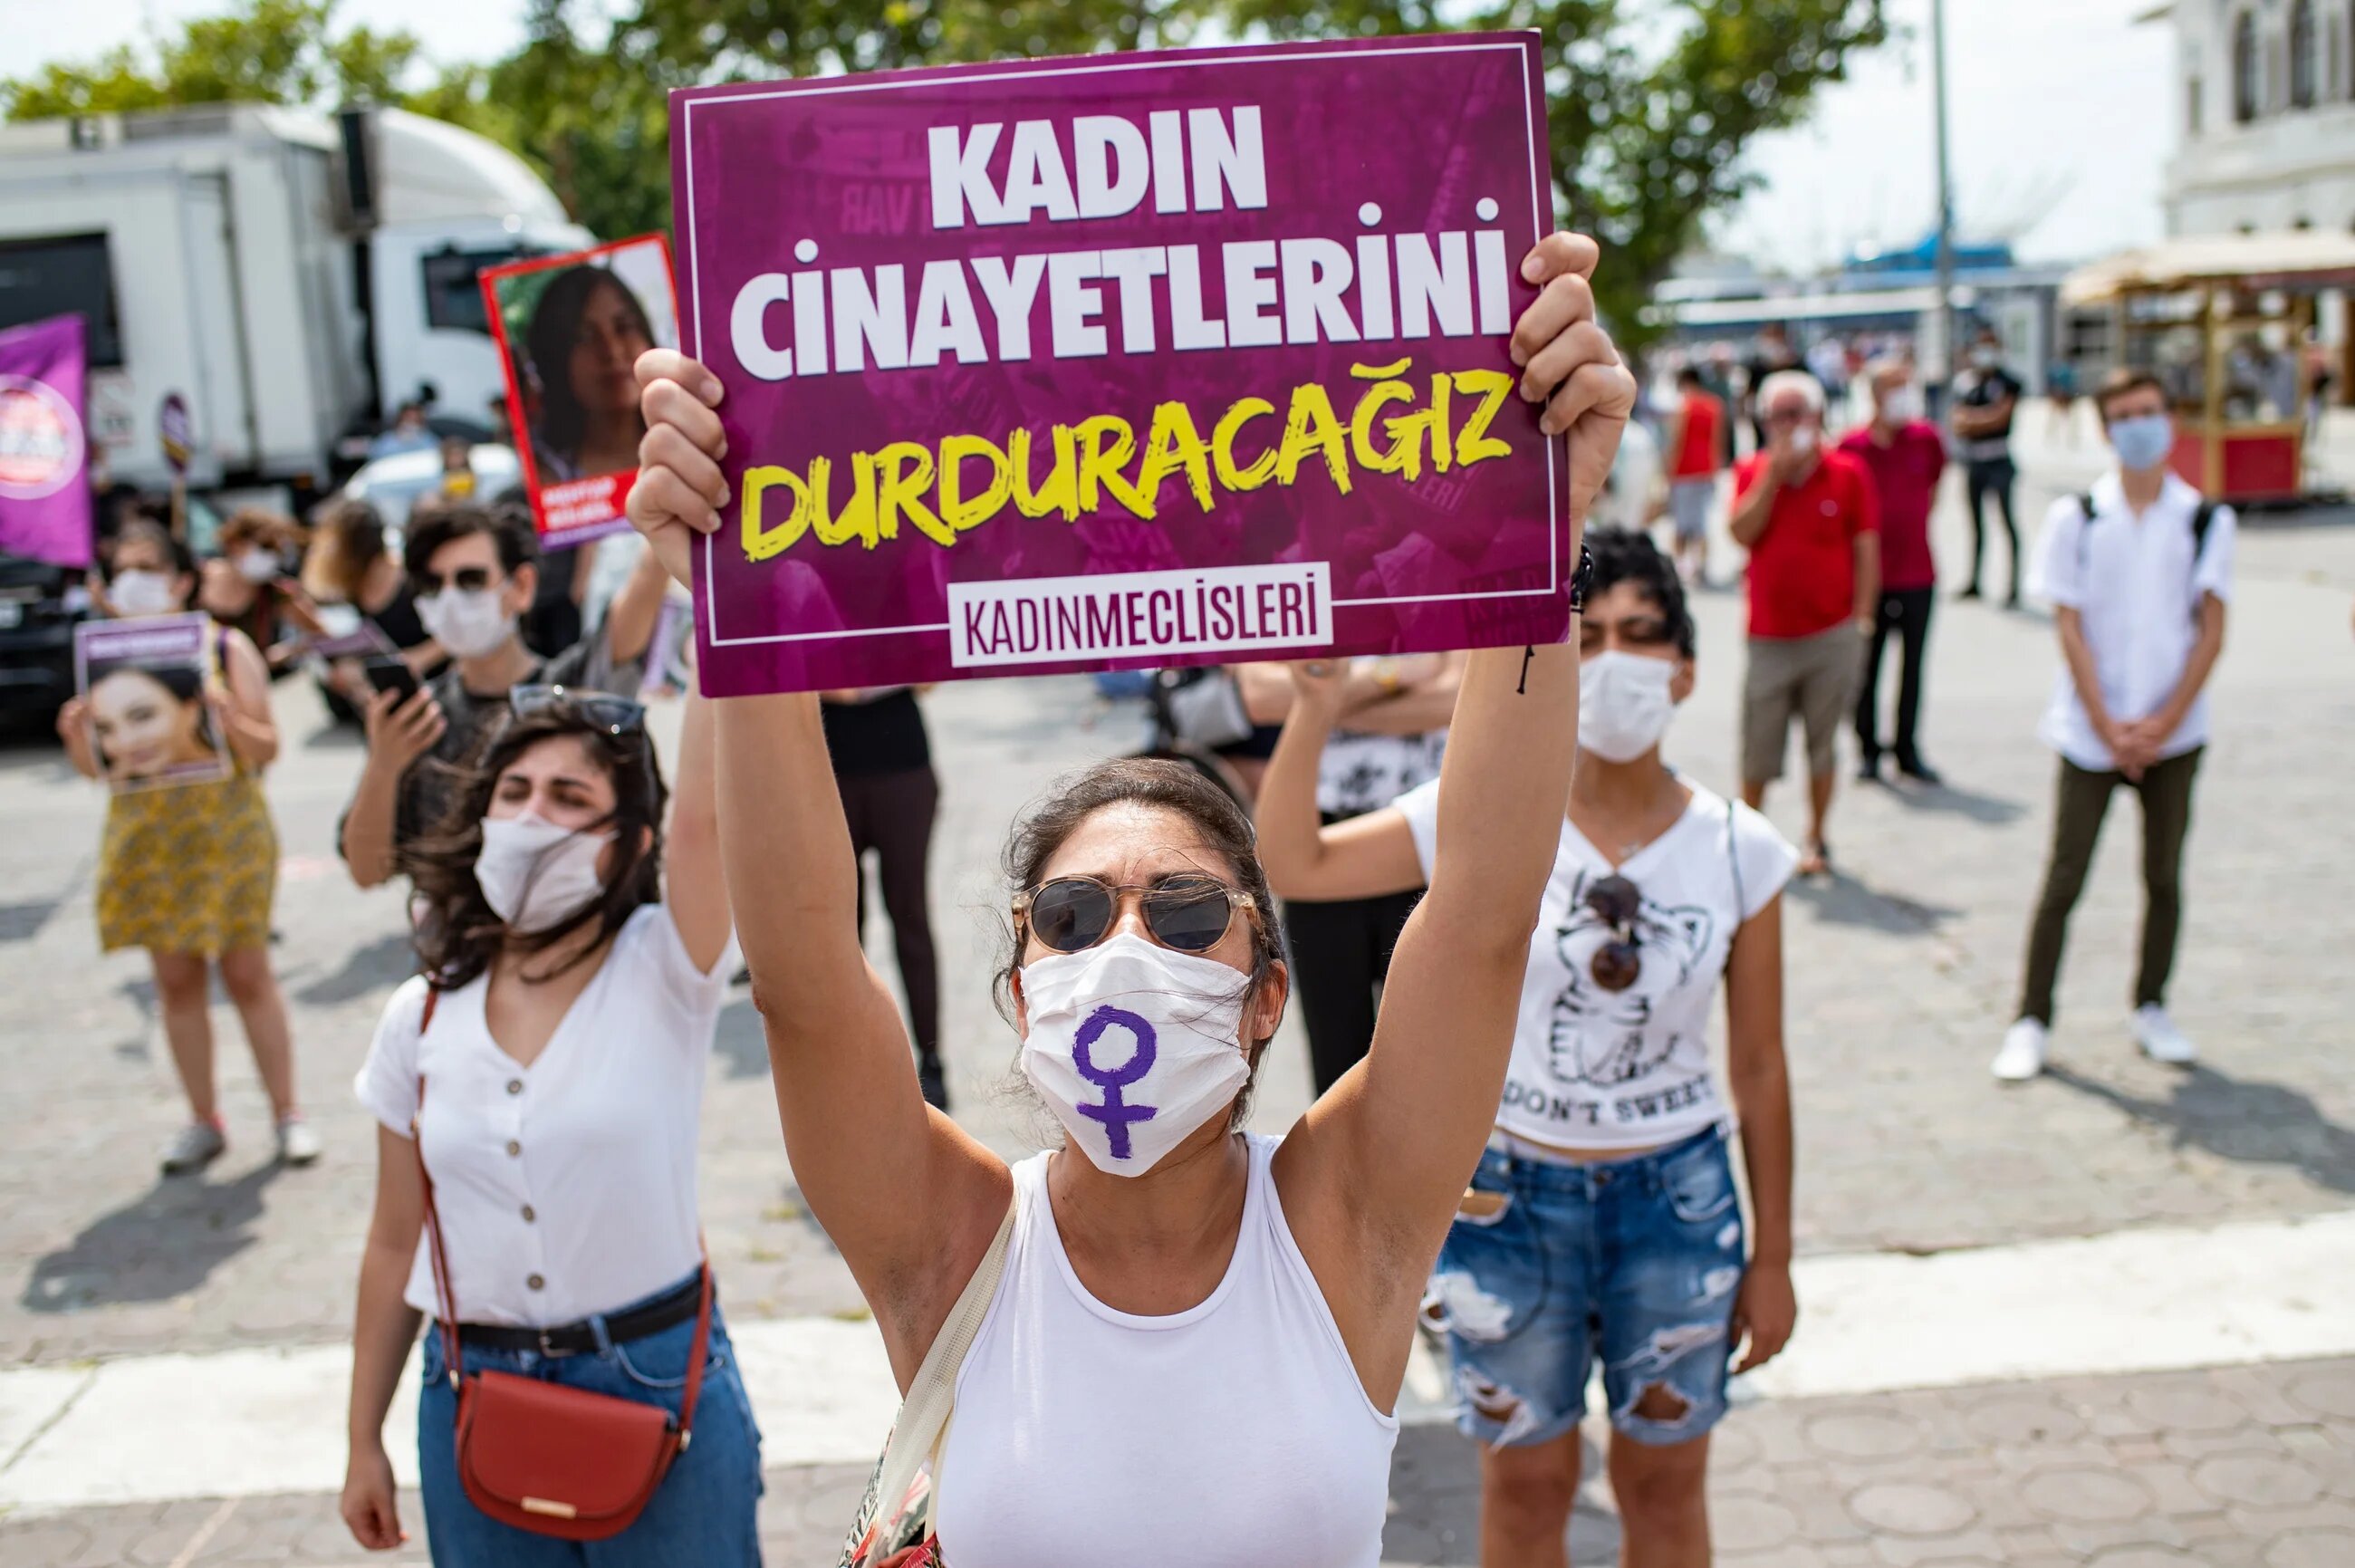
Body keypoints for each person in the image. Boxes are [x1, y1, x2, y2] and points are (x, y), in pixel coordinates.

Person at [620, 227, 1634, 1560]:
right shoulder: (954, 1246)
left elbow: (1487, 907)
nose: (1129, 944)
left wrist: (1538, 519)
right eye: (1076, 916)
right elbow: (807, 970)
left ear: (1271, 991)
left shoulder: (1348, 1216)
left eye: (1189, 910)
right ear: (1021, 981)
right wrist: (736, 579)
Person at [1257, 526, 1796, 1568]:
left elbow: (1761, 1071)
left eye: (1640, 637)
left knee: (1663, 1483)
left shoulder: (1741, 849)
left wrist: (1770, 1258)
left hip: (1677, 1203)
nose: (1609, 663)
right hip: (1507, 1202)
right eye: (1583, 636)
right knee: (1525, 1484)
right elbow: (1297, 861)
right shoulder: (1480, 825)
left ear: (1683, 671)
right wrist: (1316, 707)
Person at [341, 689, 764, 1562]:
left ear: (628, 845)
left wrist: (708, 604)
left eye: (570, 799)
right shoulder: (416, 1017)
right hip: (468, 1389)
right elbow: (393, 1242)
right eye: (516, 789)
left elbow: (710, 813)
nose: (533, 814)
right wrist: (361, 1440)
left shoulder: (665, 964)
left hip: (655, 1377)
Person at [1993, 370, 2234, 1082]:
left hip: (2175, 730)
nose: (2139, 427)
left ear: (2170, 420)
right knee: (2064, 875)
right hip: (2089, 729)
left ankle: (2151, 1002)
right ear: (2105, 429)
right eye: (2124, 416)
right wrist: (2110, 724)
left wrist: (2160, 722)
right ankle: (2031, 1015)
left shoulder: (2201, 518)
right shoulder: (2079, 516)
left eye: (2149, 413)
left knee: (2163, 873)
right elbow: (2069, 628)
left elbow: (2210, 631)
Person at [55, 522, 318, 1172]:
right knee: (175, 980)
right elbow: (99, 770)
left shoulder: (224, 648)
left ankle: (288, 1112)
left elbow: (269, 748)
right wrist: (75, 737)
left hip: (226, 833)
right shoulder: (105, 663)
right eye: (122, 569)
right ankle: (204, 1118)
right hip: (148, 839)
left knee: (248, 972)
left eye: (149, 567)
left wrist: (231, 720)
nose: (134, 581)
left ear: (180, 579)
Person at [339, 499, 670, 890]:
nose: (450, 599)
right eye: (432, 584)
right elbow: (367, 872)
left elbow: (645, 587)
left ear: (522, 587)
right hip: (457, 946)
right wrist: (385, 765)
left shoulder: (569, 692)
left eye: (470, 580)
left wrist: (665, 507)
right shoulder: (418, 720)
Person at [1235, 655, 1464, 1096]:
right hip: (1314, 834)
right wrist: (1391, 676)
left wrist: (1319, 701)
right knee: (1336, 1054)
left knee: (1435, 1047)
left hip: (1425, 846)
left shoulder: (1438, 590)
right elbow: (1260, 697)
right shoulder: (1297, 592)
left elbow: (1452, 699)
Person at [1730, 371, 1879, 877]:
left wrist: (1862, 619)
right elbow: (1741, 532)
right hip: (1769, 636)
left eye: (1797, 414)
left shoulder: (1847, 472)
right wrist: (1774, 476)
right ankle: (1751, 838)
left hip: (1830, 634)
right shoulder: (1753, 470)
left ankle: (1816, 835)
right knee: (1757, 748)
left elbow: (1866, 548)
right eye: (1778, 416)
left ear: (1817, 417)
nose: (1788, 425)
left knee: (1823, 744)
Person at [822, 685, 950, 1109]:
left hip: (903, 766)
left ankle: (931, 1059)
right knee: (840, 927)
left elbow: (929, 675)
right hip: (828, 769)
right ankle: (848, 1060)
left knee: (910, 915)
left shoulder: (898, 613)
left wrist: (866, 683)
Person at [1841, 358, 1947, 784]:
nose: (1903, 394)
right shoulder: (1852, 446)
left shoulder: (1926, 440)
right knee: (1867, 665)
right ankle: (1867, 748)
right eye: (1893, 386)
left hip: (1918, 573)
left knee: (1913, 669)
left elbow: (1934, 490)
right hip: (1870, 579)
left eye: (1908, 385)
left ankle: (1907, 748)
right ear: (1873, 394)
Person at [301, 499, 441, 724]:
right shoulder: (348, 592)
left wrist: (417, 658)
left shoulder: (412, 578)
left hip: (435, 696)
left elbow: (453, 636)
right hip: (385, 707)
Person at [525, 267, 657, 486]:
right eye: (585, 337)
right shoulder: (544, 473)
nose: (612, 352)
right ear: (555, 359)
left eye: (624, 327)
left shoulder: (686, 440)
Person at [198, 508, 324, 672]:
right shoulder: (196, 580)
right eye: (266, 547)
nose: (271, 557)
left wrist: (284, 653)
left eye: (278, 551)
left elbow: (320, 634)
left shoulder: (274, 592)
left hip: (248, 685)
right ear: (235, 543)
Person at [1951, 328, 2023, 605]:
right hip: (1974, 461)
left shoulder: (2009, 382)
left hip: (1999, 460)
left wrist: (1975, 420)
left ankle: (2013, 586)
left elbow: (2000, 418)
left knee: (2007, 522)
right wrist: (1981, 418)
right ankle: (1974, 581)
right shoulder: (1966, 382)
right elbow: (1957, 420)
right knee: (1975, 524)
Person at [1661, 366, 1726, 584]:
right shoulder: (1714, 405)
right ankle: (1702, 566)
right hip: (1706, 469)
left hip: (1684, 471)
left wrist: (1668, 469)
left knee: (1681, 522)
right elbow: (1719, 439)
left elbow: (1676, 441)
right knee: (1701, 522)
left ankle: (1680, 566)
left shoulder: (1684, 407)